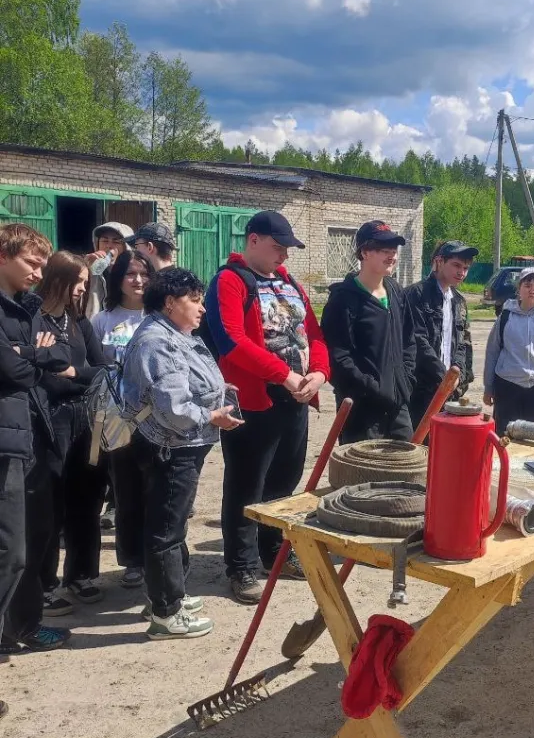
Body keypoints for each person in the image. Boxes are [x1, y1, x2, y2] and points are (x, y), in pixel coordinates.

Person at [203, 210, 329, 605]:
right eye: (278, 248)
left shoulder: (290, 282)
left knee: (284, 481)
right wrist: (284, 375)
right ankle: (240, 565)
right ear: (253, 240)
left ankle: (272, 551)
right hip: (253, 399)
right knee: (246, 484)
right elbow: (231, 341)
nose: (284, 257)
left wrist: (320, 374)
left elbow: (314, 333)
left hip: (296, 395)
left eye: (288, 250)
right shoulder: (230, 280)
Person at [122, 268, 242, 638]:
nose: (202, 308)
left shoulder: (174, 333)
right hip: (172, 447)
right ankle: (166, 613)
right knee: (166, 529)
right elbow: (173, 408)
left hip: (180, 445)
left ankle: (166, 594)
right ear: (171, 303)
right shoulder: (159, 341)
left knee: (168, 524)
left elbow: (188, 381)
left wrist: (215, 393)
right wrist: (211, 415)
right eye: (194, 300)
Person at [0, 223, 72, 680]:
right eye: (31, 262)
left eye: (43, 263)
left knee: (28, 544)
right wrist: (35, 355)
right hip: (6, 440)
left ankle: (19, 627)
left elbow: (56, 363)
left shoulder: (26, 308)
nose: (38, 272)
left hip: (29, 434)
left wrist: (29, 354)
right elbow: (20, 370)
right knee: (9, 552)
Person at [34, 253, 109, 614]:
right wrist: (63, 371)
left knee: (88, 499)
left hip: (86, 419)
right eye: (78, 282)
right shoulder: (33, 319)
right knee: (50, 503)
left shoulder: (80, 323)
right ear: (56, 279)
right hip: (49, 419)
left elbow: (102, 370)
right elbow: (39, 373)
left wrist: (72, 372)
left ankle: (80, 575)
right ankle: (44, 584)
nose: (82, 289)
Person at [321, 219, 418, 444]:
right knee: (362, 477)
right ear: (364, 252)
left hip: (398, 407)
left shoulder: (395, 292)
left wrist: (405, 381)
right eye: (384, 250)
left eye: (394, 250)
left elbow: (409, 340)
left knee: (403, 473)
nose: (392, 256)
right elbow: (339, 358)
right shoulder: (343, 300)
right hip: (361, 413)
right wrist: (374, 389)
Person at [92, 249, 155, 590]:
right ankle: (132, 560)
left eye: (144, 273)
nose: (138, 280)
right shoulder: (102, 320)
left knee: (159, 491)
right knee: (127, 491)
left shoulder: (160, 318)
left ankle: (162, 556)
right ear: (117, 279)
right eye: (130, 274)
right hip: (117, 420)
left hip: (159, 421)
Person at [483, 267, 534, 436]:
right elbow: (492, 352)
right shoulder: (505, 317)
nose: (532, 290)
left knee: (532, 440)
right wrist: (488, 387)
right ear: (519, 289)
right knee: (504, 437)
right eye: (527, 285)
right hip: (507, 387)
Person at [405, 239, 477, 427]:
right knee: (419, 447)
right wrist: (442, 375)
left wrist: (457, 378)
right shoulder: (415, 294)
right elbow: (417, 340)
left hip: (449, 391)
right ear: (439, 262)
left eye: (466, 268)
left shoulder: (459, 301)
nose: (462, 272)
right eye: (456, 265)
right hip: (420, 388)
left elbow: (462, 343)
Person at [84, 222, 133, 320]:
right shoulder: (89, 264)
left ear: (126, 246)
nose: (109, 246)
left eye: (116, 242)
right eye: (105, 241)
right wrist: (85, 268)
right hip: (94, 326)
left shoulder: (134, 272)